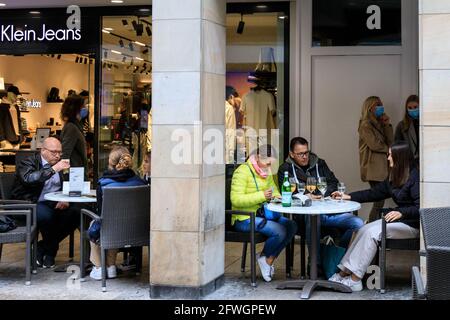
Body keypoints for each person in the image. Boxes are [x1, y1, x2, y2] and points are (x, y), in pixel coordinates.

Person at [329, 142, 420, 291]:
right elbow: (373, 193)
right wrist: (348, 196)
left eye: (391, 155)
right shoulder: (394, 176)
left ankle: (355, 279)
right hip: (399, 221)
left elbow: (420, 207)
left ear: (400, 157)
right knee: (363, 229)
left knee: (373, 233)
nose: (388, 157)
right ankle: (344, 272)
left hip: (412, 225)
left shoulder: (414, 176)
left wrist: (402, 212)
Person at [278, 137, 364, 250]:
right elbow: (286, 193)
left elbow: (333, 183)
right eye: (300, 154)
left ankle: (338, 254)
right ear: (292, 154)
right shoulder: (285, 169)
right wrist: (305, 196)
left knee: (358, 223)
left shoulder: (320, 164)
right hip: (303, 217)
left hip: (328, 212)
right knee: (312, 217)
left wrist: (318, 194)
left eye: (306, 153)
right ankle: (315, 263)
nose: (304, 157)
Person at [230, 144, 297, 282]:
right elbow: (235, 200)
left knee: (291, 226)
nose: (268, 167)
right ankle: (265, 258)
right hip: (244, 219)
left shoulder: (265, 172)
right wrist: (261, 196)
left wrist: (277, 196)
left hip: (263, 215)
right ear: (259, 157)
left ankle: (267, 258)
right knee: (279, 231)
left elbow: (274, 190)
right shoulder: (242, 172)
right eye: (267, 163)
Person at [10, 137, 78, 268]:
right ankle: (51, 253)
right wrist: (53, 169)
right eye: (54, 152)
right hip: (29, 203)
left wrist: (65, 198)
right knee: (47, 216)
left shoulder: (61, 164)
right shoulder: (27, 162)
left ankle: (41, 248)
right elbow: (29, 179)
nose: (58, 155)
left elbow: (69, 184)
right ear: (43, 150)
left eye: (60, 152)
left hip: (53, 202)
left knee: (76, 212)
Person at [89, 146, 146, 280]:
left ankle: (98, 268)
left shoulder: (103, 184)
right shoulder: (141, 182)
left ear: (110, 163)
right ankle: (111, 266)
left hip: (112, 229)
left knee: (98, 222)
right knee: (115, 222)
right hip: (136, 229)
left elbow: (100, 210)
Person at [358, 96, 394, 222]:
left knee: (380, 200)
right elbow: (374, 144)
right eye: (377, 104)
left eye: (381, 104)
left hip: (382, 167)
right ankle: (371, 224)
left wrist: (387, 124)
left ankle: (372, 224)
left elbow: (391, 141)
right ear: (370, 107)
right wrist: (388, 149)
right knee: (379, 200)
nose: (381, 107)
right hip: (373, 168)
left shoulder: (379, 123)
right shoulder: (365, 125)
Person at [60, 95, 88, 177]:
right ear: (76, 108)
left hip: (77, 172)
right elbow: (65, 154)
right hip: (75, 175)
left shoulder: (76, 126)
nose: (86, 108)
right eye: (83, 106)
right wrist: (66, 176)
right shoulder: (71, 127)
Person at [395, 95, 419, 162]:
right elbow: (397, 145)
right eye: (410, 108)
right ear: (406, 109)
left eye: (415, 107)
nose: (413, 110)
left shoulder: (427, 123)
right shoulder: (401, 125)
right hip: (410, 162)